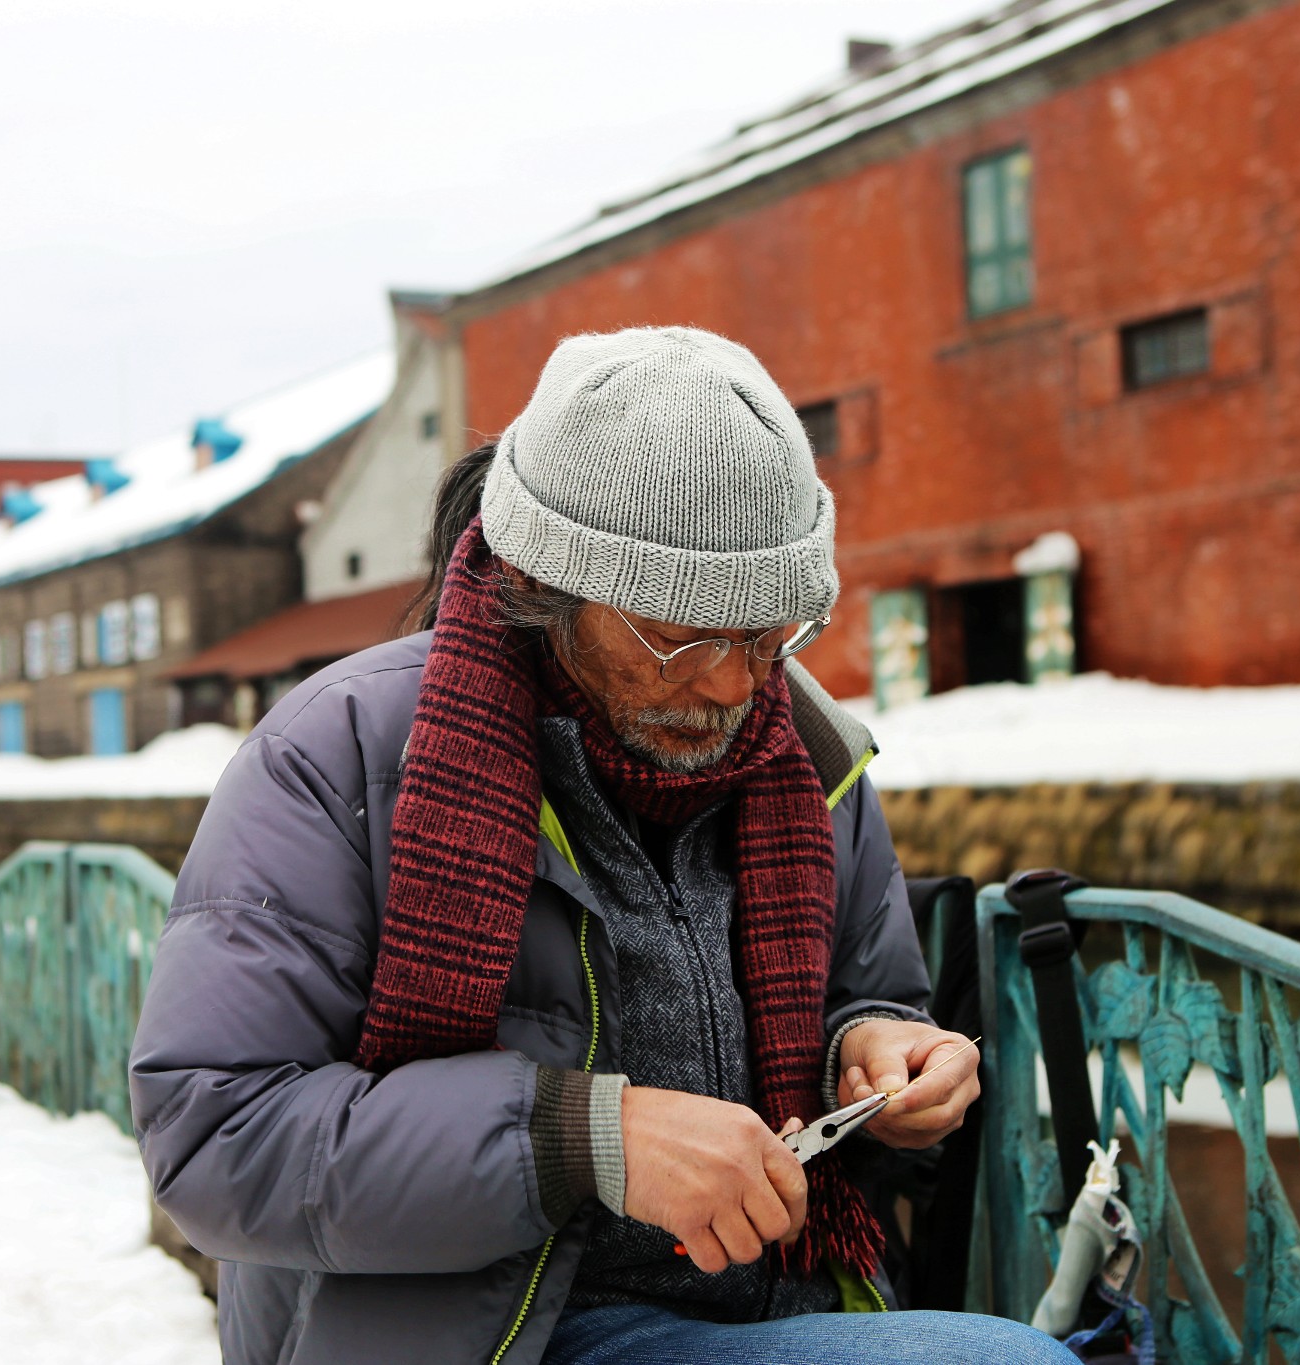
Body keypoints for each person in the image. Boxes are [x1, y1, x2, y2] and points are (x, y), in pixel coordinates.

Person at [130, 327, 1076, 1364]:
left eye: (768, 636)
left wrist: (880, 1049)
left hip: (795, 1297)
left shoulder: (805, 752)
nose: (730, 686)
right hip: (499, 1334)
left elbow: (866, 990)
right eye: (679, 637)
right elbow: (213, 1136)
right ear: (549, 586)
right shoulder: (338, 753)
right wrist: (582, 1140)